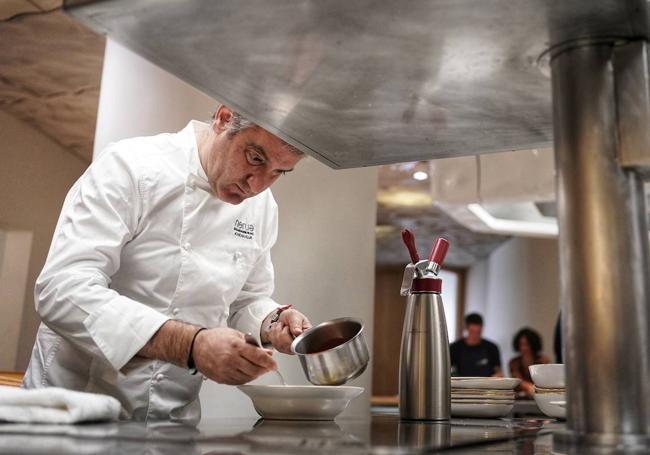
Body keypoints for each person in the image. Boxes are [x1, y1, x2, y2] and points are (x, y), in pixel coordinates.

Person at [22, 105, 312, 422]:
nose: (256, 185)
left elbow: (247, 299)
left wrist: (273, 323)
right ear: (224, 118)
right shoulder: (131, 166)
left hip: (172, 423)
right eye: (255, 158)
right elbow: (62, 289)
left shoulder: (262, 207)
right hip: (77, 411)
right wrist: (189, 345)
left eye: (278, 172)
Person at [508, 327, 550, 397]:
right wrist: (528, 387)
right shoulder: (514, 362)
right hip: (520, 398)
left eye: (526, 344)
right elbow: (518, 380)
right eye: (521, 344)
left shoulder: (543, 361)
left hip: (540, 396)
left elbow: (546, 381)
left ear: (533, 345)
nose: (523, 348)